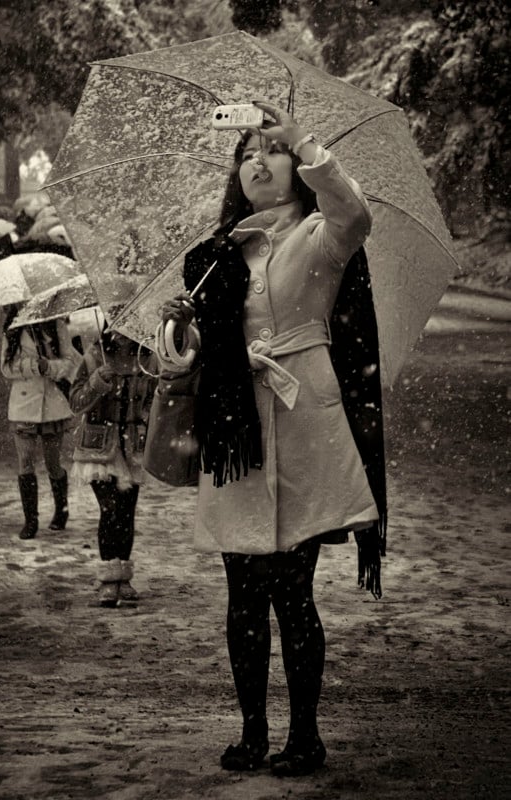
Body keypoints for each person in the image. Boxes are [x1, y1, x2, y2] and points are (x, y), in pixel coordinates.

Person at [156, 100, 386, 777]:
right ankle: (253, 732)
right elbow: (187, 359)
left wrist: (306, 143)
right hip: (234, 432)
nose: (258, 160)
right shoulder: (213, 254)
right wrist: (182, 332)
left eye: (270, 149)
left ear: (294, 164)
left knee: (293, 590)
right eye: (247, 152)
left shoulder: (321, 233)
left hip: (305, 420)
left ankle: (305, 736)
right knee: (241, 590)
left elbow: (355, 213)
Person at [69, 329, 156, 607]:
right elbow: (75, 403)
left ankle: (123, 578)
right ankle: (108, 578)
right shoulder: (95, 355)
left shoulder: (148, 358)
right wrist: (96, 383)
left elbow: (154, 400)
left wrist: (147, 418)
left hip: (132, 447)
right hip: (99, 446)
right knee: (110, 510)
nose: (123, 334)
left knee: (127, 511)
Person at [0, 307, 81, 539]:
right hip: (23, 406)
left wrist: (51, 367)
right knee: (25, 462)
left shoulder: (55, 326)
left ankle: (61, 510)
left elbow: (70, 361)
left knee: (52, 463)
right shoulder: (13, 328)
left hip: (52, 404)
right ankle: (31, 520)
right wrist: (33, 366)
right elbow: (5, 368)